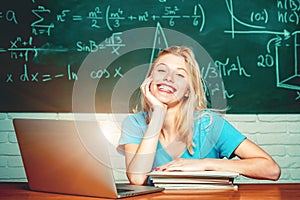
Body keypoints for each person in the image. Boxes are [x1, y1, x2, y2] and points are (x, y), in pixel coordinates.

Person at [117, 46, 281, 185]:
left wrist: (204, 164)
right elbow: (137, 178)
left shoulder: (209, 123)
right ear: (149, 80)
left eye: (180, 75)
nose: (168, 78)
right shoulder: (134, 123)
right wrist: (158, 114)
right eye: (161, 70)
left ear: (188, 90)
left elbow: (271, 170)